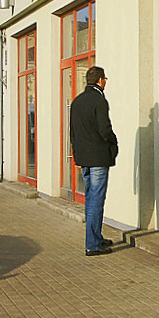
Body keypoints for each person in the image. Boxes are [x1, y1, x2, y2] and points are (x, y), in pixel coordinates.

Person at [69, 66, 118, 256]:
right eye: (105, 79)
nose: (105, 82)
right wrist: (114, 143)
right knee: (96, 200)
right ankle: (93, 244)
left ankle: (96, 238)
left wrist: (77, 155)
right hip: (98, 157)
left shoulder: (77, 101)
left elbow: (73, 132)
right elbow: (105, 129)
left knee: (90, 199)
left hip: (84, 158)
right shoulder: (99, 100)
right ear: (100, 80)